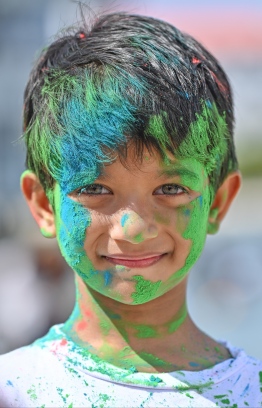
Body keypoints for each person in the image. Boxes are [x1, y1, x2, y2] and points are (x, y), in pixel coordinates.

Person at [0, 11, 260, 408]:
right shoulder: (13, 391)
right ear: (42, 203)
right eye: (95, 188)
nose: (133, 228)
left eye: (171, 188)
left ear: (218, 202)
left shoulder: (251, 393)